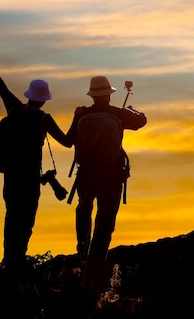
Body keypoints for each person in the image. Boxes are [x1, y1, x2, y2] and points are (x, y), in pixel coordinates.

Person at [0, 33, 73, 274]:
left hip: (10, 175)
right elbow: (67, 142)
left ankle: (7, 261)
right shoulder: (44, 119)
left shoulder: (13, 108)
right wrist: (78, 119)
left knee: (10, 218)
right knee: (25, 224)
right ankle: (16, 264)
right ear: (44, 99)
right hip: (31, 179)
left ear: (28, 95)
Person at [68, 76, 147, 286]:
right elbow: (141, 121)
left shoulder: (83, 113)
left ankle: (82, 252)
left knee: (84, 208)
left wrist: (77, 117)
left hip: (85, 174)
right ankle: (96, 262)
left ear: (92, 95)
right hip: (111, 175)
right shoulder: (117, 113)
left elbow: (70, 140)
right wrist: (131, 110)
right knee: (105, 220)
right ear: (109, 94)